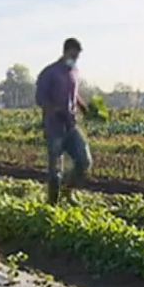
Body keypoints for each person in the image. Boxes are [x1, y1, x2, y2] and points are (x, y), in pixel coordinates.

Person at [35, 37, 93, 205]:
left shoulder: (74, 71)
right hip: (54, 127)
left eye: (77, 57)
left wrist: (83, 106)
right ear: (65, 51)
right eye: (73, 56)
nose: (75, 60)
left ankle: (68, 190)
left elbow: (74, 94)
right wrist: (55, 109)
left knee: (84, 161)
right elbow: (40, 99)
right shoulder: (49, 73)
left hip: (71, 125)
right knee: (55, 171)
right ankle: (52, 205)